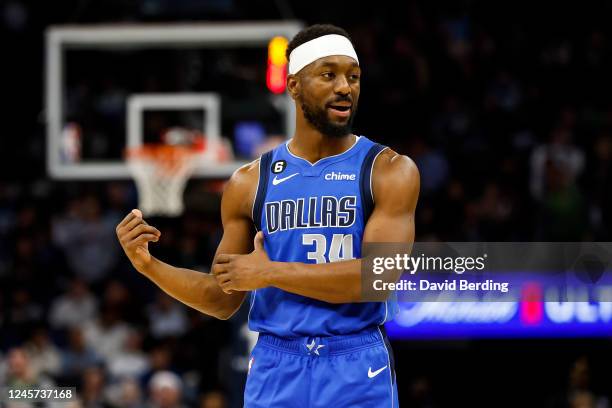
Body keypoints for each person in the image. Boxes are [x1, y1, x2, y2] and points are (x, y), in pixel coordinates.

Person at [116, 24, 419, 407]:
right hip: (276, 364)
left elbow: (378, 277)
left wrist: (270, 272)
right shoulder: (249, 181)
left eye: (353, 76)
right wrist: (148, 266)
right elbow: (222, 296)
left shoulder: (388, 169)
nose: (345, 86)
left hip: (355, 361)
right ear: (293, 85)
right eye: (329, 74)